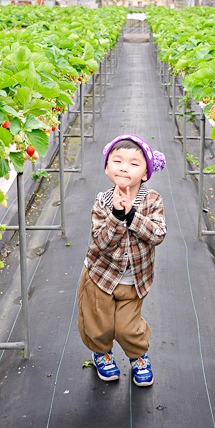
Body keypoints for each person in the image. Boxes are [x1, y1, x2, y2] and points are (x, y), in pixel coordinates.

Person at [79, 134, 167, 387]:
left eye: (133, 163)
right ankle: (101, 353)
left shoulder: (152, 201)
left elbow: (158, 234)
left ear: (146, 173)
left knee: (127, 328)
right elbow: (102, 243)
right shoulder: (103, 201)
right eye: (117, 161)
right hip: (100, 277)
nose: (124, 167)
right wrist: (117, 216)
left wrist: (131, 215)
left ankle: (138, 357)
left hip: (135, 280)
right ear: (107, 168)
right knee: (99, 325)